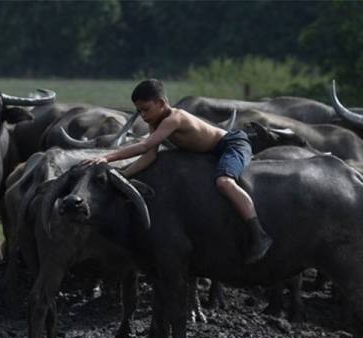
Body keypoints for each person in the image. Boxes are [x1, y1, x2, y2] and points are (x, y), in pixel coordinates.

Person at [82, 78, 272, 263]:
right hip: (209, 152)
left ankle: (259, 234)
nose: (144, 116)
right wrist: (124, 174)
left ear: (162, 103)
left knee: (224, 182)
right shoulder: (154, 122)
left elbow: (143, 146)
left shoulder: (174, 118)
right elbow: (150, 155)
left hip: (230, 145)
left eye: (146, 110)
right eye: (139, 112)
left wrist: (107, 157)